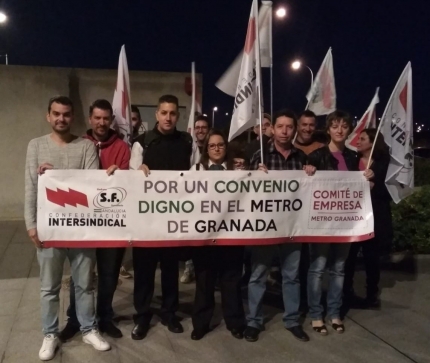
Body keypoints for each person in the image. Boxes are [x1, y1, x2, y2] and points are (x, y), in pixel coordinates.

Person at [25, 96, 110, 361]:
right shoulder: (35, 145)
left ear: (73, 117)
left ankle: (88, 328)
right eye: (56, 114)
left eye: (66, 114)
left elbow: (90, 183)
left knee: (84, 284)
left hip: (81, 228)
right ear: (48, 116)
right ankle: (50, 333)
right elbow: (30, 187)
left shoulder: (85, 146)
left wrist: (55, 175)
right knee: (49, 287)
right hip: (49, 229)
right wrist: (31, 225)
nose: (61, 118)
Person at [244, 109, 316, 343]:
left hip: (292, 229)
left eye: (289, 127)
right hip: (265, 227)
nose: (285, 131)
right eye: (280, 126)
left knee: (291, 276)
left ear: (294, 130)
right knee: (258, 274)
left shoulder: (300, 158)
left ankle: (292, 320)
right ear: (272, 129)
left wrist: (310, 173)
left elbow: (307, 191)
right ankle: (254, 321)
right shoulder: (261, 155)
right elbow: (248, 189)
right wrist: (256, 174)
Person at [61, 99, 130, 340]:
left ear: (111, 120)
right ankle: (74, 319)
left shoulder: (122, 147)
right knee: (81, 274)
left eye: (106, 118)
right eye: (97, 117)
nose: (101, 122)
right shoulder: (78, 144)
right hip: (85, 223)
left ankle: (104, 318)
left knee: (109, 274)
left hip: (112, 223)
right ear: (90, 119)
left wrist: (119, 176)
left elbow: (126, 184)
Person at [129, 94, 193, 340]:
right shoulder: (142, 143)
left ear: (178, 115)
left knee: (170, 269)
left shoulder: (187, 142)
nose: (168, 117)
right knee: (144, 270)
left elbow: (197, 175)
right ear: (156, 114)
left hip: (174, 220)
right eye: (164, 112)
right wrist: (138, 172)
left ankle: (169, 313)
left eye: (173, 113)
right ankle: (142, 316)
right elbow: (131, 178)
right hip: (146, 221)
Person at [307, 111, 374, 335]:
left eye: (344, 126)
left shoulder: (354, 158)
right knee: (317, 269)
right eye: (334, 126)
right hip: (322, 225)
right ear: (328, 130)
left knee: (338, 269)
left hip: (345, 225)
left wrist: (367, 182)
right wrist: (308, 171)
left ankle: (334, 313)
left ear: (348, 130)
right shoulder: (317, 156)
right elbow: (307, 187)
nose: (339, 130)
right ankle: (316, 315)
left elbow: (358, 190)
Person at [189, 129, 246, 340]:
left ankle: (235, 322)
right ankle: (201, 324)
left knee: (231, 280)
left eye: (220, 145)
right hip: (204, 236)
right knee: (204, 281)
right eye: (212, 146)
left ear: (226, 147)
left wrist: (253, 172)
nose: (216, 149)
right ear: (206, 149)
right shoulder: (196, 168)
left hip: (232, 234)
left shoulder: (238, 168)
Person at [343, 128, 392, 309]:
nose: (358, 141)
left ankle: (372, 293)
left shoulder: (383, 163)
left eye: (362, 139)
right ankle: (346, 290)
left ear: (372, 142)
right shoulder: (352, 161)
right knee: (349, 257)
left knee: (372, 258)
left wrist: (374, 185)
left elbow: (390, 192)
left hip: (374, 218)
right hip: (353, 218)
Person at [293, 110, 326, 311]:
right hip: (292, 214)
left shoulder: (321, 149)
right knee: (293, 262)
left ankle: (309, 300)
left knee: (311, 261)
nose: (307, 128)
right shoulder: (291, 147)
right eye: (304, 124)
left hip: (314, 214)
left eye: (311, 125)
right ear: (298, 125)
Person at [181, 115, 211, 284]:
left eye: (203, 127)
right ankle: (189, 268)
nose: (200, 130)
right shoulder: (189, 147)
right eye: (197, 127)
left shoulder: (213, 148)